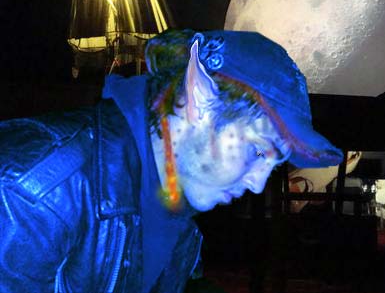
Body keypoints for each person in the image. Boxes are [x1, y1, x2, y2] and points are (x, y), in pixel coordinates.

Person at [0, 29, 343, 293]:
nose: (257, 183)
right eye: (256, 151)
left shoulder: (178, 220)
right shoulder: (33, 191)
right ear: (199, 95)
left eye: (273, 163)